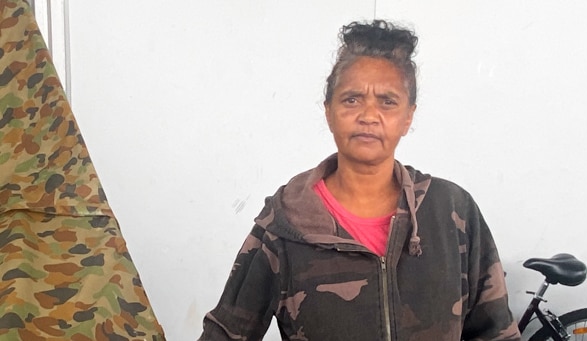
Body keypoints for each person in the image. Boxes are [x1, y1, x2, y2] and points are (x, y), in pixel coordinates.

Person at [199, 20, 521, 341]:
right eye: (352, 99)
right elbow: (225, 334)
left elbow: (497, 333)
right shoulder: (285, 224)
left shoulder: (453, 213)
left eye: (387, 101)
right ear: (328, 112)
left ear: (408, 116)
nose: (368, 115)